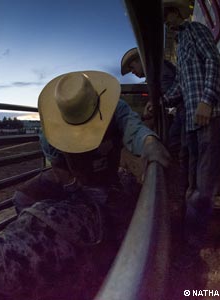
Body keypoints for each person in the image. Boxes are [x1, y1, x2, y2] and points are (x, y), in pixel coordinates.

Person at [14, 71, 170, 234]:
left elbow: (133, 128)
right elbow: (57, 164)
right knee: (22, 197)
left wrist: (148, 141)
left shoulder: (117, 109)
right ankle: (34, 233)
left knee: (117, 220)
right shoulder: (49, 131)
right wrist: (73, 187)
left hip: (103, 180)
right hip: (72, 178)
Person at [162, 0, 220, 268]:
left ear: (178, 14)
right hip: (191, 120)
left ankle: (194, 245)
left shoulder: (196, 31)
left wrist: (207, 100)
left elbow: (214, 59)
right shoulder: (180, 46)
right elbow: (180, 85)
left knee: (203, 186)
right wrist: (161, 101)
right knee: (192, 184)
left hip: (208, 115)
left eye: (169, 17)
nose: (168, 23)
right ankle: (190, 236)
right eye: (165, 22)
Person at [121, 47, 188, 204]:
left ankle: (176, 194)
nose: (133, 72)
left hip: (183, 116)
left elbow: (169, 91)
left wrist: (153, 103)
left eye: (132, 67)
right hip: (181, 115)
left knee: (174, 148)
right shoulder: (161, 71)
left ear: (140, 61)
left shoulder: (160, 72)